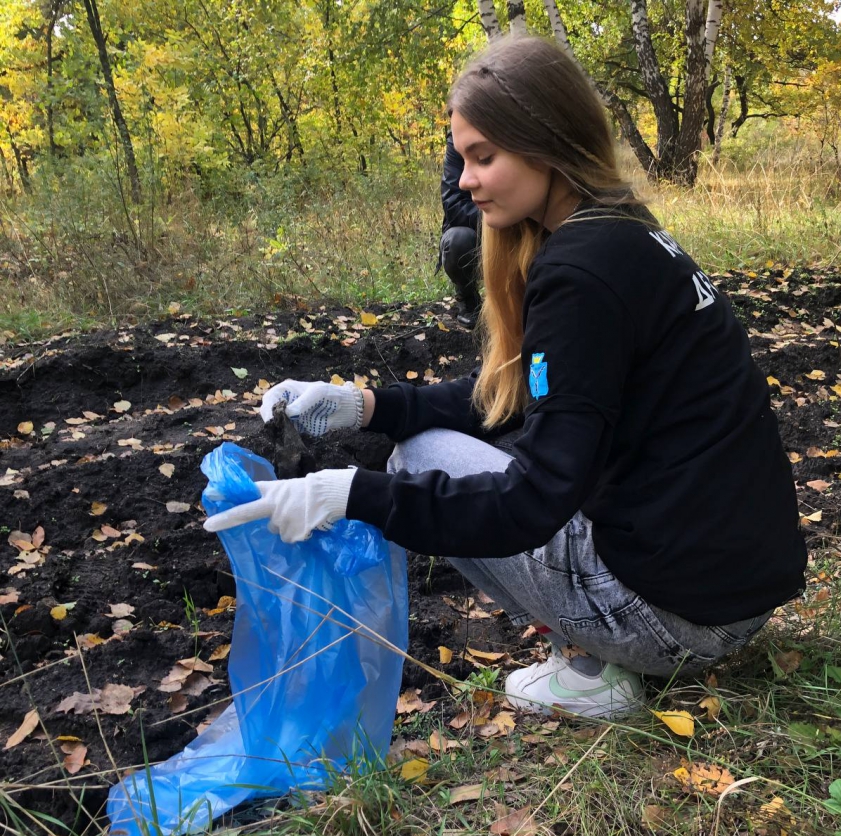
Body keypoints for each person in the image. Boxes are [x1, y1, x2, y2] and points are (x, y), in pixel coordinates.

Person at [204, 35, 807, 720]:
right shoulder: (625, 233)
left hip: (675, 622)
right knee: (438, 437)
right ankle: (601, 647)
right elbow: (523, 398)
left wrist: (349, 495)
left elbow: (532, 502)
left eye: (484, 157)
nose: (465, 180)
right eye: (463, 158)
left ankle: (592, 671)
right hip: (735, 595)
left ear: (546, 142)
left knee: (418, 459)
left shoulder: (578, 274)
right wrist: (364, 407)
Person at [439, 131, 482, 328]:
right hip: (480, 229)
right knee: (458, 240)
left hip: (523, 225)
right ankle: (468, 298)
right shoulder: (459, 137)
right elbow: (453, 202)